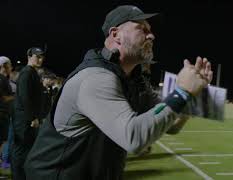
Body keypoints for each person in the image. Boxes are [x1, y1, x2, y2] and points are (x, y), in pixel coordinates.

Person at [24, 5, 213, 180]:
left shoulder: (134, 80)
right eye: (143, 30)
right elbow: (134, 137)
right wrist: (182, 92)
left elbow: (170, 124)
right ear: (116, 35)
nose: (152, 36)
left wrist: (193, 96)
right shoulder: (95, 78)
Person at [11, 47, 45, 180]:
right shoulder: (26, 72)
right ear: (29, 56)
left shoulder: (31, 72)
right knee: (20, 152)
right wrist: (33, 118)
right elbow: (25, 98)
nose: (40, 60)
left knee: (25, 151)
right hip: (24, 120)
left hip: (27, 119)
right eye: (37, 56)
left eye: (42, 57)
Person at [0, 56, 14, 177]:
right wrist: (17, 97)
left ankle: (3, 165)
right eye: (9, 65)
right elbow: (3, 98)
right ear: (4, 66)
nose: (11, 68)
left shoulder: (4, 79)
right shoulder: (2, 79)